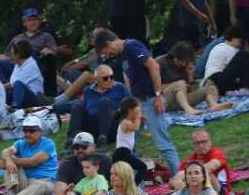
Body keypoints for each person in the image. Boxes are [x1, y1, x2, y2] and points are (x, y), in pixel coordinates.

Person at [93, 29, 179, 171]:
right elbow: (129, 78)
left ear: (109, 43)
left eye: (106, 51)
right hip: (137, 103)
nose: (108, 55)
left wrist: (157, 95)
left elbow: (154, 66)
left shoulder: (132, 46)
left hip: (150, 100)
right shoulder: (121, 56)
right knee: (126, 142)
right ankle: (132, 176)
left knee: (162, 142)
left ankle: (178, 176)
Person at [0, 115, 59, 195]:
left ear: (40, 131)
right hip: (27, 183)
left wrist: (10, 160)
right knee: (9, 165)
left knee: (40, 185)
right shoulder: (21, 143)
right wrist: (9, 161)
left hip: (46, 183)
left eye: (31, 130)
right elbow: (5, 151)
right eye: (25, 130)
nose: (27, 134)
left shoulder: (48, 144)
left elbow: (33, 162)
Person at [158, 44, 233, 118]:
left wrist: (190, 74)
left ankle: (214, 105)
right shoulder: (160, 62)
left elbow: (189, 88)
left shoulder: (184, 65)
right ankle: (188, 109)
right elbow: (151, 88)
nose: (184, 64)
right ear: (175, 58)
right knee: (180, 84)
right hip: (162, 101)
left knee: (209, 87)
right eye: (182, 61)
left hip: (179, 101)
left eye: (186, 61)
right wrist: (174, 86)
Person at [65, 63, 128, 148]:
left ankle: (103, 139)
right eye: (105, 78)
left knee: (104, 101)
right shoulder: (88, 91)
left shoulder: (119, 88)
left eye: (111, 77)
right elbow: (83, 109)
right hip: (93, 129)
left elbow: (130, 106)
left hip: (111, 127)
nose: (109, 80)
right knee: (77, 105)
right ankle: (71, 139)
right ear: (96, 80)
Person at [169, 128, 230, 195]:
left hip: (221, 194)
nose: (201, 146)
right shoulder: (188, 161)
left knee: (205, 173)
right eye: (197, 143)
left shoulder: (216, 153)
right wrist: (176, 182)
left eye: (204, 142)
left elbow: (211, 166)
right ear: (193, 145)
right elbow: (173, 182)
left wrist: (185, 174)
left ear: (210, 141)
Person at [202, 25, 249, 94]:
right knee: (243, 54)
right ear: (234, 38)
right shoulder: (230, 49)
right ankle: (247, 87)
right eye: (240, 41)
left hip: (213, 81)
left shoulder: (218, 47)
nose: (240, 45)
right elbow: (242, 68)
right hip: (216, 79)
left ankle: (241, 89)